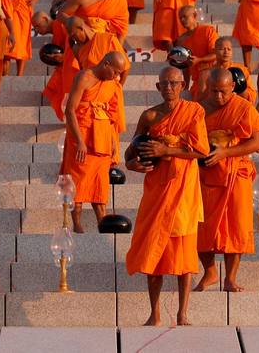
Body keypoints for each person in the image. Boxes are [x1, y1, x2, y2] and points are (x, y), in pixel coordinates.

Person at [125, 65, 208, 327]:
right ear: (157, 87)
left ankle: (182, 314)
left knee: (183, 257)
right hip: (156, 191)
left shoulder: (194, 111)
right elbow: (129, 153)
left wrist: (166, 151)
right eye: (165, 84)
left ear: (183, 85)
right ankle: (154, 313)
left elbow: (201, 151)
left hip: (183, 190)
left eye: (174, 83)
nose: (169, 88)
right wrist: (132, 165)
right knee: (153, 254)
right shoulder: (149, 116)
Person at [195, 67, 259, 292]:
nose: (219, 97)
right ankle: (210, 271)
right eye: (214, 91)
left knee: (236, 225)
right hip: (206, 173)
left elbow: (256, 143)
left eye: (223, 91)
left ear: (232, 87)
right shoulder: (199, 109)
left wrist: (225, 153)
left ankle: (230, 277)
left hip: (236, 172)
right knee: (202, 226)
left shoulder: (244, 108)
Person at [62, 52, 127, 232]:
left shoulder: (111, 83)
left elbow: (112, 115)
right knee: (78, 181)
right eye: (115, 72)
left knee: (100, 183)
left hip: (103, 138)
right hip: (81, 136)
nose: (117, 77)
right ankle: (76, 225)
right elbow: (70, 110)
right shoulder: (84, 77)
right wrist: (79, 141)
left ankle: (102, 223)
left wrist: (114, 142)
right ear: (106, 64)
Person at [176, 6, 220, 93]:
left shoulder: (208, 31)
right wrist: (186, 86)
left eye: (185, 17)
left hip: (213, 78)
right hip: (197, 82)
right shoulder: (181, 40)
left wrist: (199, 60)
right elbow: (185, 66)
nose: (182, 20)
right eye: (180, 18)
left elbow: (217, 54)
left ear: (195, 15)